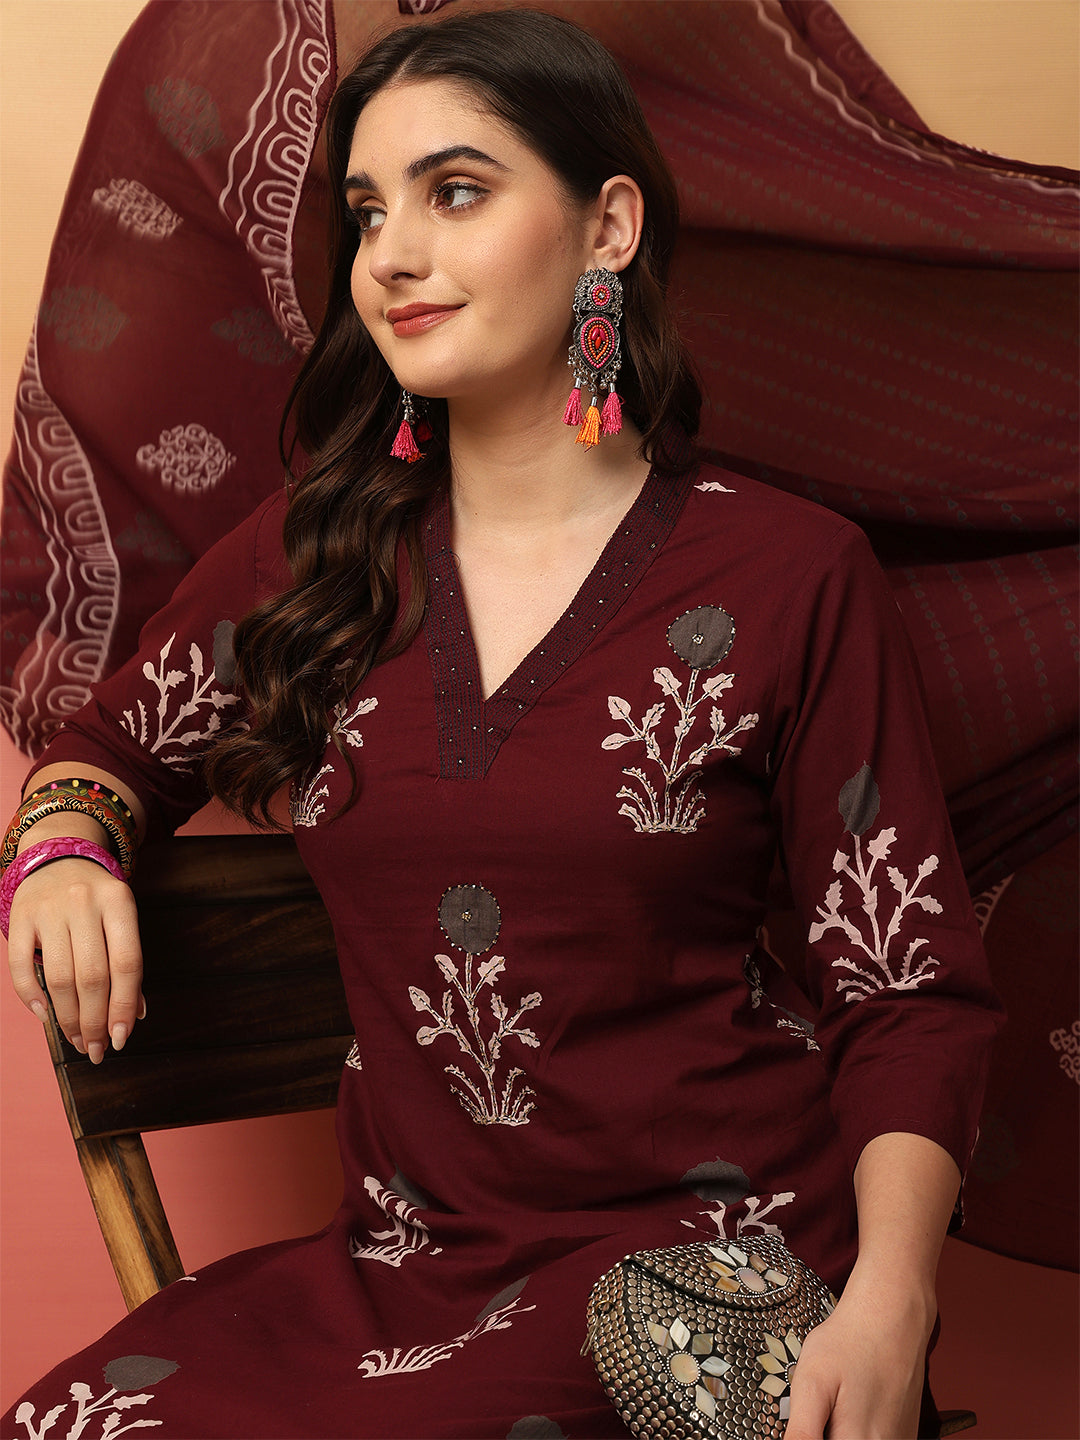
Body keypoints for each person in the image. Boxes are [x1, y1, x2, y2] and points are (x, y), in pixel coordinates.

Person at [2, 10, 1002, 1439]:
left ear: (607, 227)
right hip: (407, 1264)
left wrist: (893, 1305)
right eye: (368, 211)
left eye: (455, 192)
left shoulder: (789, 574)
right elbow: (104, 755)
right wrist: (63, 847)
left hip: (712, 1274)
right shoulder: (316, 561)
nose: (390, 257)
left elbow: (907, 991)